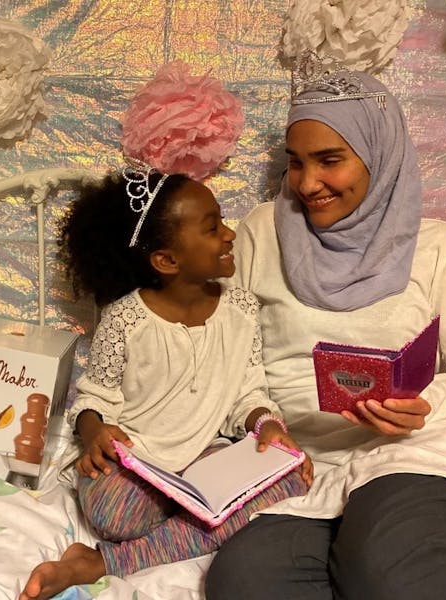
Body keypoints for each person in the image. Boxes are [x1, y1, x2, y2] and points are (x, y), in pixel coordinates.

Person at [205, 65, 446, 599]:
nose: (308, 183)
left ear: (378, 158)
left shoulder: (437, 246)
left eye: (330, 160)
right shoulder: (261, 232)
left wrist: (428, 402)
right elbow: (233, 360)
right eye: (296, 163)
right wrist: (263, 419)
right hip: (305, 470)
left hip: (415, 453)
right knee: (242, 580)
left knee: (387, 575)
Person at [18, 164, 312, 600]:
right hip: (139, 461)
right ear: (167, 260)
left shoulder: (242, 310)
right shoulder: (126, 320)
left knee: (295, 479)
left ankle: (100, 562)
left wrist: (266, 424)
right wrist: (96, 431)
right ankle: (191, 518)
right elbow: (93, 398)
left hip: (204, 458)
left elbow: (249, 393)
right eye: (213, 228)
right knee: (115, 516)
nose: (230, 234)